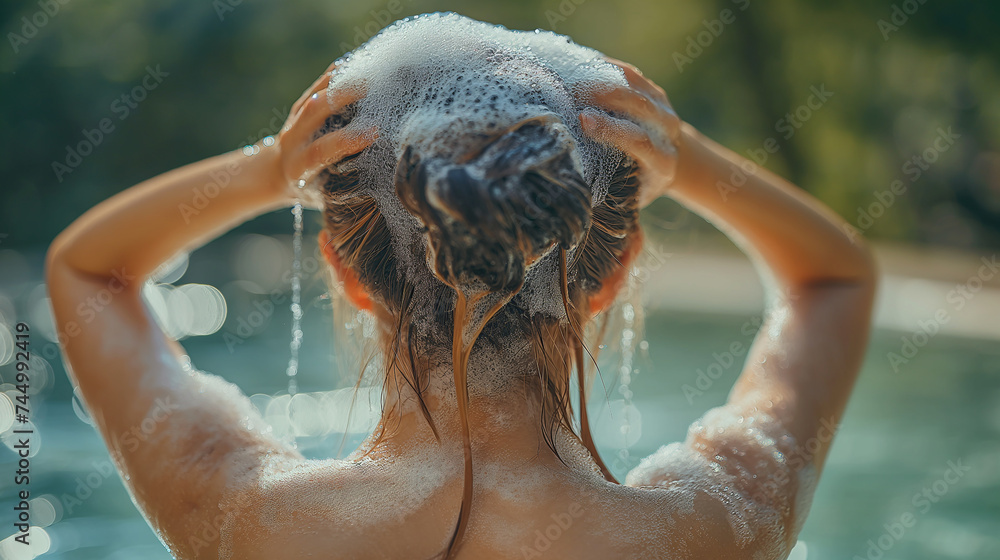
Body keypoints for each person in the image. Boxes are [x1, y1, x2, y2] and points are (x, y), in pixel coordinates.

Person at [46, 27, 876, 560]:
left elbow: (90, 275)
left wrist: (269, 167)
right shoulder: (703, 530)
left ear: (342, 268)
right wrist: (685, 155)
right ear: (613, 273)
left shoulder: (251, 523)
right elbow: (833, 281)